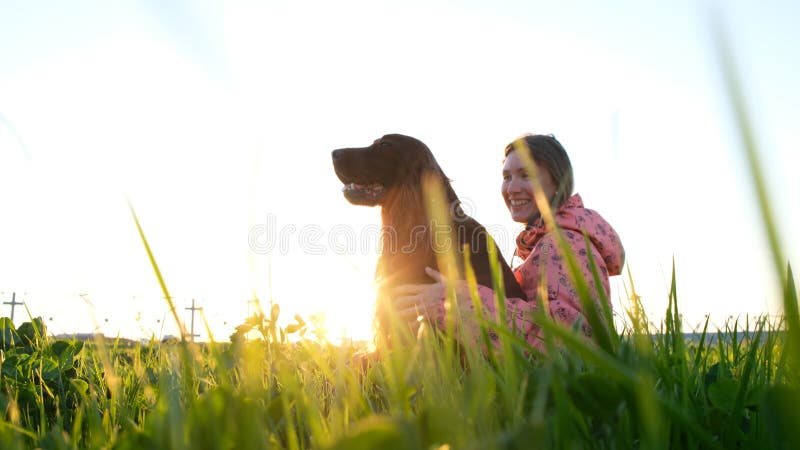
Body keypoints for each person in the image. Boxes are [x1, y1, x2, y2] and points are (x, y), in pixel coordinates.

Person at [391, 134, 625, 351]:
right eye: (506, 177)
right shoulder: (550, 243)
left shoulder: (565, 244)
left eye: (526, 175)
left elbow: (568, 340)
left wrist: (453, 301)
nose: (512, 188)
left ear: (558, 184)